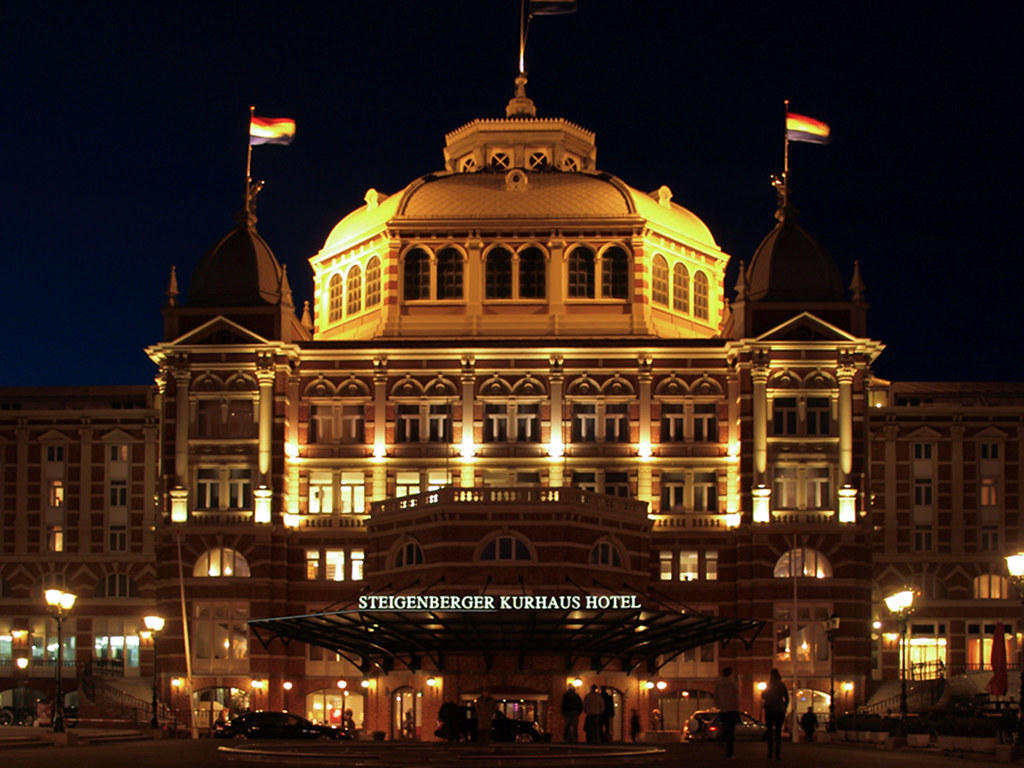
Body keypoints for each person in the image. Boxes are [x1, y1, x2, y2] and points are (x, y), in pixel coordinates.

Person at [762, 668, 789, 761]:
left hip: (770, 709)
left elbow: (763, 696)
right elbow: (786, 697)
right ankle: (777, 754)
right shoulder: (782, 685)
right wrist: (785, 707)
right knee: (778, 732)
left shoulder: (769, 685)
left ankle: (770, 752)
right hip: (780, 710)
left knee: (770, 731)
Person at [713, 666, 740, 759]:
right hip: (731, 709)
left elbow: (716, 696)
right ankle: (729, 752)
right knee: (731, 731)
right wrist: (736, 706)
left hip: (723, 709)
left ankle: (721, 739)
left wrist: (718, 705)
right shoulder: (733, 683)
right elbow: (736, 696)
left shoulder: (718, 683)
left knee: (724, 727)